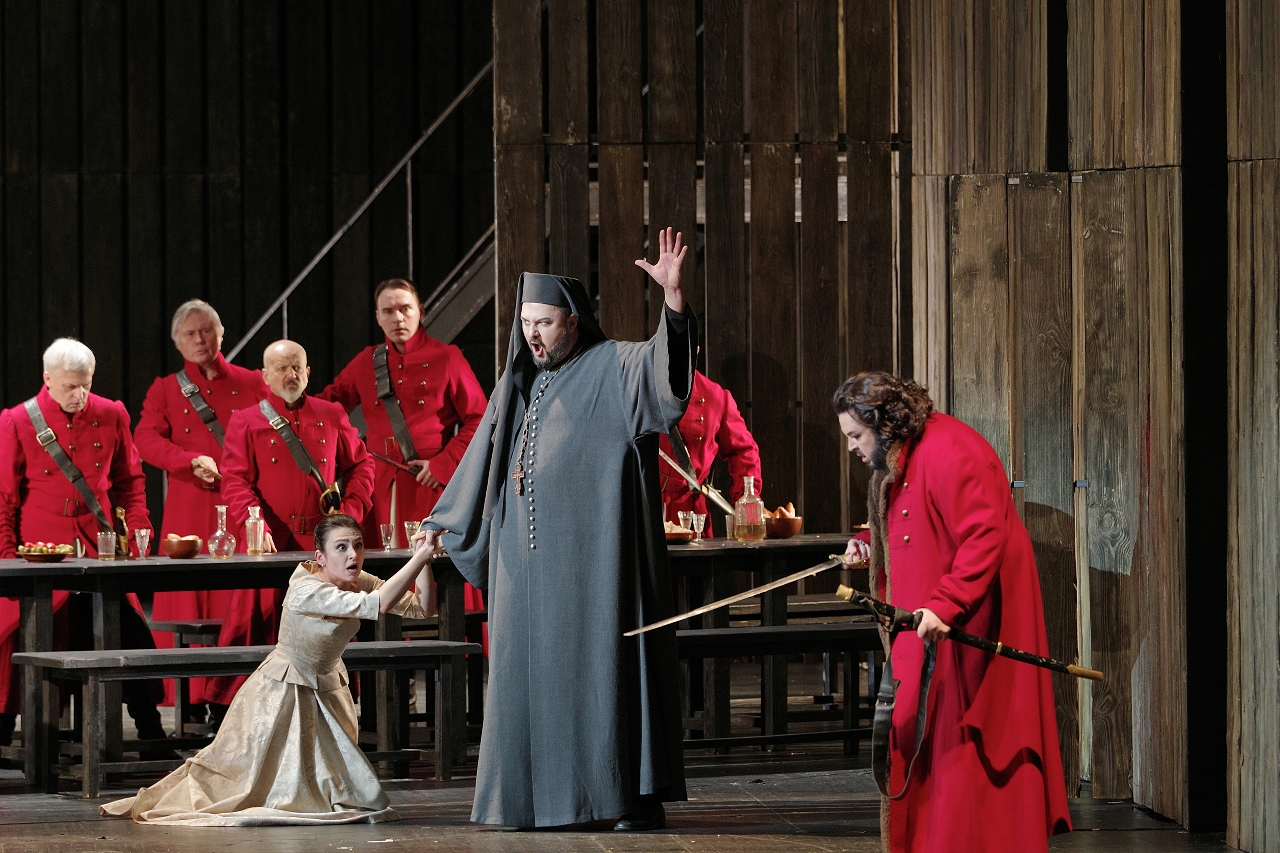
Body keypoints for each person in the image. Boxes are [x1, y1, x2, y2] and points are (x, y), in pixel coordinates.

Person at [420, 226, 696, 831]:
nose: (534, 335)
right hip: (522, 571)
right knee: (525, 685)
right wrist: (441, 523)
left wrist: (673, 303)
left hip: (593, 563)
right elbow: (480, 459)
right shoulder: (518, 381)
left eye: (544, 323)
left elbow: (667, 380)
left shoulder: (615, 366)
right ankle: (530, 801)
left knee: (601, 676)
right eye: (526, 324)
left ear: (573, 320)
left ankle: (618, 798)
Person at [834, 371, 1071, 853]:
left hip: (972, 621)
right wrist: (869, 544)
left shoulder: (948, 449)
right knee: (933, 747)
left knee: (968, 751)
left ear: (882, 422)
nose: (852, 447)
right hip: (935, 624)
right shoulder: (905, 453)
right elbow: (913, 519)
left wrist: (947, 604)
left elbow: (984, 532)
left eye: (856, 435)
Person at [100, 513, 436, 825]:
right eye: (342, 547)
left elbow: (424, 607)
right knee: (252, 782)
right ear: (320, 557)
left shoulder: (356, 579)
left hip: (326, 690)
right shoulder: (307, 588)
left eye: (358, 546)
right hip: (284, 690)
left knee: (345, 792)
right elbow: (379, 604)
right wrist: (418, 557)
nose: (353, 555)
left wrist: (424, 558)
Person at [0, 338, 167, 752]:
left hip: (99, 546)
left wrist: (139, 531)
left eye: (86, 385)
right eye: (70, 386)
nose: (79, 394)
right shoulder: (18, 420)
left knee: (129, 629)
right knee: (12, 638)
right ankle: (6, 736)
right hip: (37, 554)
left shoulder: (111, 413)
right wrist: (6, 558)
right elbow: (4, 498)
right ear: (47, 379)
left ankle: (151, 734)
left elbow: (131, 484)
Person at [205, 339, 375, 712]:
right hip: (270, 544)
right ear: (265, 376)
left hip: (321, 550)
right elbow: (234, 479)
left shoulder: (330, 413)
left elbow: (361, 464)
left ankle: (330, 707)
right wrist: (254, 522)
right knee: (260, 629)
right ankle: (241, 713)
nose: (290, 374)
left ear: (308, 372)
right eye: (281, 368)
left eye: (297, 366)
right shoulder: (246, 420)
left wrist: (349, 516)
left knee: (325, 632)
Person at [133, 300, 269, 721]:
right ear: (177, 342)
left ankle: (233, 694)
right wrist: (187, 460)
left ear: (221, 334)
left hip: (240, 502)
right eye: (190, 334)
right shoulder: (165, 389)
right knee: (189, 600)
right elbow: (145, 438)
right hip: (190, 507)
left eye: (206, 331)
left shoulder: (252, 382)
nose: (199, 340)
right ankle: (190, 697)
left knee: (236, 601)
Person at [659, 357, 761, 534]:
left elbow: (743, 451)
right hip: (645, 507)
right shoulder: (635, 389)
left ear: (696, 350)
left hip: (692, 513)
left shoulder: (715, 395)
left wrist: (746, 502)